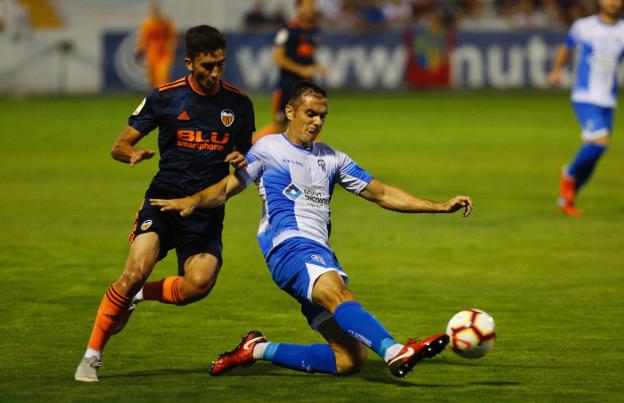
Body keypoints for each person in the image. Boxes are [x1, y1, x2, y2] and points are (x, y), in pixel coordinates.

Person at [151, 81, 473, 378]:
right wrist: (193, 200)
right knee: (340, 295)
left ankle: (257, 349)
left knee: (349, 360)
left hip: (316, 251)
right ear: (290, 111)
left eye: (322, 116)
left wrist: (440, 205)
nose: (317, 122)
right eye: (310, 113)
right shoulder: (268, 150)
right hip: (290, 246)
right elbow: (227, 188)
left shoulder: (332, 158)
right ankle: (395, 351)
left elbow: (383, 194)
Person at [74, 25, 256, 382]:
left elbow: (247, 154)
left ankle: (140, 295)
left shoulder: (238, 104)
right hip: (162, 202)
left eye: (220, 64)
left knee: (198, 285)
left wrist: (241, 157)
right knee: (133, 270)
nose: (215, 73)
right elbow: (119, 144)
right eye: (207, 66)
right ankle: (92, 356)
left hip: (204, 210)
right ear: (189, 62)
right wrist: (130, 153)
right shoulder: (164, 97)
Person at [549, 0, 624, 217]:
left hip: (608, 100)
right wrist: (556, 70)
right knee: (600, 142)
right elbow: (566, 47)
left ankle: (567, 197)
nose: (614, 3)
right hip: (585, 96)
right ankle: (569, 173)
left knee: (595, 153)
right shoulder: (583, 26)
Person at [252, 0, 327, 143]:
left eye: (312, 5)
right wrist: (302, 70)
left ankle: (313, 155)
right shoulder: (289, 30)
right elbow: (278, 57)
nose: (311, 9)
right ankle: (249, 146)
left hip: (306, 88)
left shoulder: (315, 30)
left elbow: (307, 56)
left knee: (309, 122)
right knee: (279, 125)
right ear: (298, 8)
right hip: (287, 85)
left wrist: (317, 66)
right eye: (307, 5)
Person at [135, 1, 178, 88]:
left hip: (164, 53)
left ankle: (163, 96)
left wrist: (172, 47)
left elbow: (172, 37)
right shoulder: (147, 24)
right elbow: (143, 39)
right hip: (151, 54)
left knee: (162, 76)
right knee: (152, 78)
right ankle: (154, 96)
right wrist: (139, 50)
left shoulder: (165, 23)